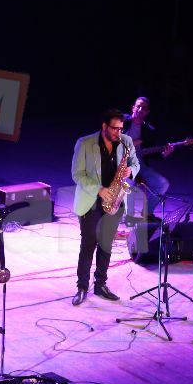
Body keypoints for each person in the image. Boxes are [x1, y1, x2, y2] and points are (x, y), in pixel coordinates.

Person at [71, 109, 141, 305]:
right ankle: (82, 287)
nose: (118, 133)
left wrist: (131, 170)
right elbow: (77, 174)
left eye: (121, 129)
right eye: (114, 128)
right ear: (104, 126)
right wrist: (99, 189)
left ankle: (100, 284)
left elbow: (136, 164)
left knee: (106, 245)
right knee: (88, 245)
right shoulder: (85, 143)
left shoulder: (126, 141)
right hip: (92, 201)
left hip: (115, 201)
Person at [123, 96, 172, 223]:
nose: (140, 109)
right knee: (129, 182)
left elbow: (150, 153)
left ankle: (147, 214)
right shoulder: (120, 121)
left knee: (163, 184)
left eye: (144, 108)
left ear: (147, 112)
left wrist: (164, 154)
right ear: (133, 108)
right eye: (138, 106)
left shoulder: (149, 130)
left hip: (140, 165)